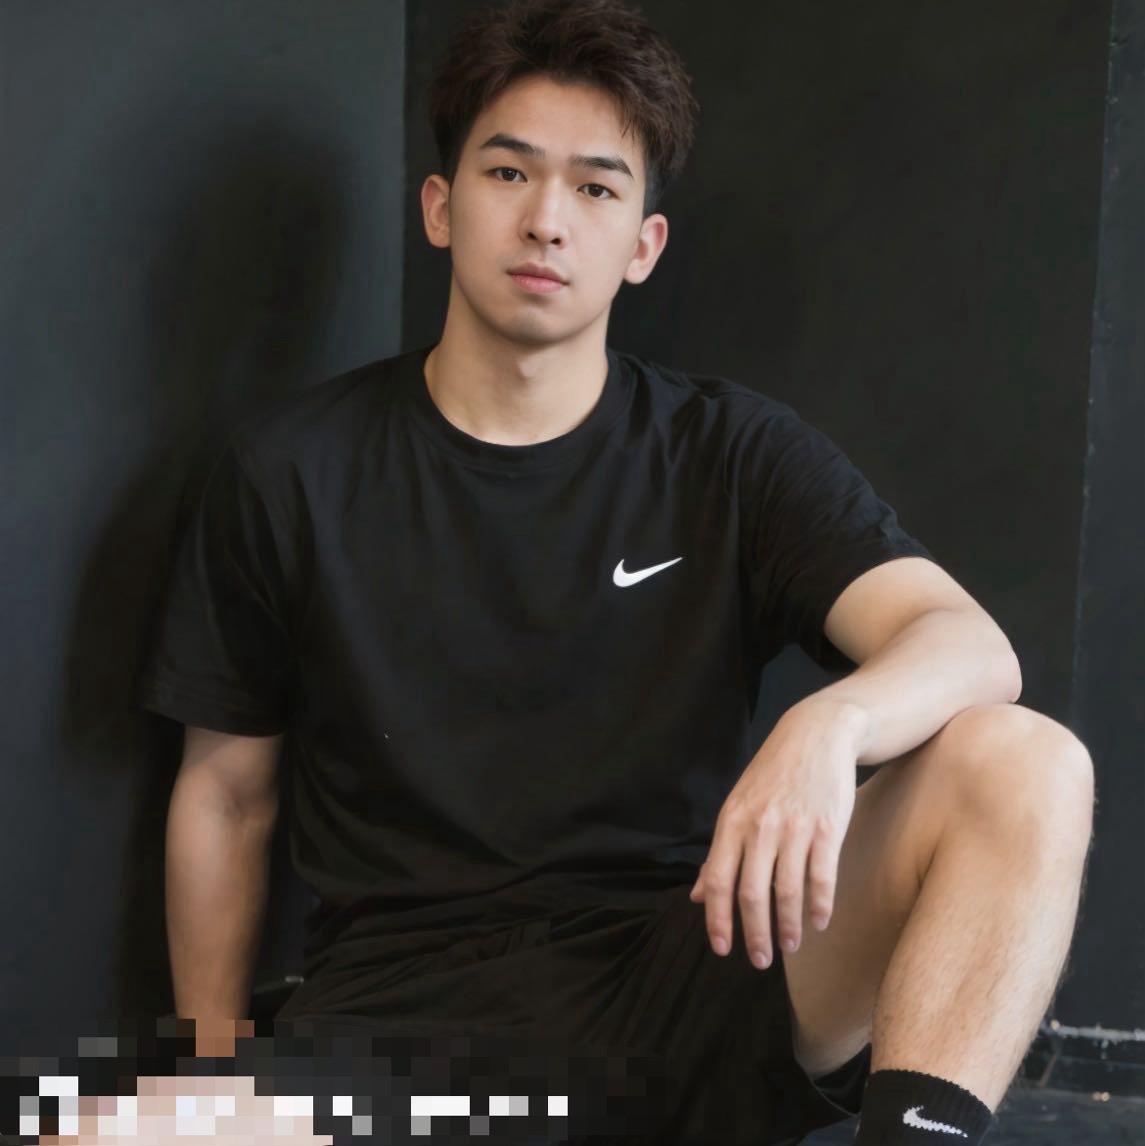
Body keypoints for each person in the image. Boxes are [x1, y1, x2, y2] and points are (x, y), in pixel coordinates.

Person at [134, 1, 1095, 1143]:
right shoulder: (288, 471)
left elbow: (970, 646)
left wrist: (830, 725)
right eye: (508, 173)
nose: (546, 221)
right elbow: (226, 797)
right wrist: (211, 1068)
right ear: (439, 207)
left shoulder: (728, 451)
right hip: (394, 1029)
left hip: (687, 986)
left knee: (1025, 762)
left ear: (642, 245)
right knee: (88, 1128)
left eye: (595, 189)